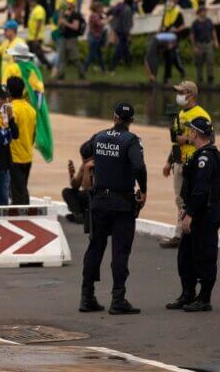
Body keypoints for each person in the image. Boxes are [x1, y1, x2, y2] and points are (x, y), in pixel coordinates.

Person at [79, 102, 146, 315]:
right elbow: (138, 166)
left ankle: (87, 297)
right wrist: (143, 189)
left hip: (99, 200)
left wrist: (92, 164)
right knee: (120, 251)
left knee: (95, 248)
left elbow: (84, 149)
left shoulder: (99, 136)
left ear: (114, 116)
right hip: (121, 203)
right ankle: (118, 299)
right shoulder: (131, 141)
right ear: (131, 121)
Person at [166, 117, 220, 313]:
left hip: (205, 214)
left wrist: (189, 214)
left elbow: (201, 190)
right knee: (185, 256)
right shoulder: (198, 155)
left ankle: (204, 298)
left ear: (195, 134)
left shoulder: (206, 158)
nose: (188, 133)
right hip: (193, 210)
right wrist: (183, 207)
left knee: (204, 256)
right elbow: (188, 186)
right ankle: (187, 293)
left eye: (190, 131)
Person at [160, 81, 211, 249]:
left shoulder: (200, 114)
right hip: (180, 162)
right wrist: (170, 161)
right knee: (180, 200)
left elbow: (210, 139)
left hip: (194, 162)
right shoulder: (180, 114)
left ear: (191, 94)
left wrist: (187, 139)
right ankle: (180, 233)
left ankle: (187, 233)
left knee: (193, 199)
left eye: (182, 92)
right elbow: (177, 141)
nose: (179, 95)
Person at [7, 76, 36, 206]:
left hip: (14, 157)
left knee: (17, 192)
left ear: (8, 91)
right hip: (28, 156)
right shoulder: (31, 110)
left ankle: (22, 219)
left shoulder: (10, 109)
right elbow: (34, 134)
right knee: (22, 188)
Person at [56, 0, 85, 80]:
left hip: (71, 38)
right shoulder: (65, 14)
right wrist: (61, 19)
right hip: (64, 37)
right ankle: (61, 75)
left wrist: (66, 23)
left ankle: (81, 72)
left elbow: (75, 27)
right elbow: (60, 25)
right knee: (62, 57)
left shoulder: (76, 15)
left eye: (69, 4)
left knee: (74, 57)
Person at [189, 6, 218, 85]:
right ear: (199, 13)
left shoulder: (209, 21)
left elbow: (213, 31)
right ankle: (200, 79)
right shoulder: (195, 23)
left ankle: (210, 78)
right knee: (199, 63)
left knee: (210, 61)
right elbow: (192, 35)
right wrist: (194, 46)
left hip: (208, 43)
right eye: (202, 11)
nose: (204, 13)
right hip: (199, 44)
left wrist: (215, 41)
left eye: (205, 11)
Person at [25, 0, 50, 67]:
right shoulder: (34, 9)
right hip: (32, 36)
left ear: (35, 2)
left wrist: (36, 37)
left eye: (30, 2)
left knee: (39, 54)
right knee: (29, 54)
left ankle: (49, 66)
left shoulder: (39, 10)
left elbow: (39, 23)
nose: (29, 3)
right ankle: (29, 67)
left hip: (36, 37)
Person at [62, 159, 89, 224]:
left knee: (88, 193)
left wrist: (87, 170)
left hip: (96, 197)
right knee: (66, 192)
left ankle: (85, 217)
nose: (83, 160)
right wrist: (71, 175)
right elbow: (75, 186)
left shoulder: (98, 165)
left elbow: (87, 187)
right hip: (86, 198)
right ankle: (78, 215)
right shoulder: (84, 165)